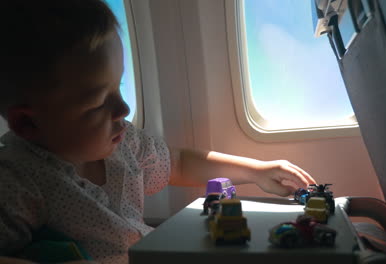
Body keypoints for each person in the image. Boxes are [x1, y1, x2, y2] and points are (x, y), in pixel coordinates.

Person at [0, 0, 315, 263]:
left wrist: (258, 171)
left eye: (118, 87)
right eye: (97, 103)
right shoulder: (16, 180)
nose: (123, 110)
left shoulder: (121, 142)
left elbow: (177, 164)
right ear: (28, 124)